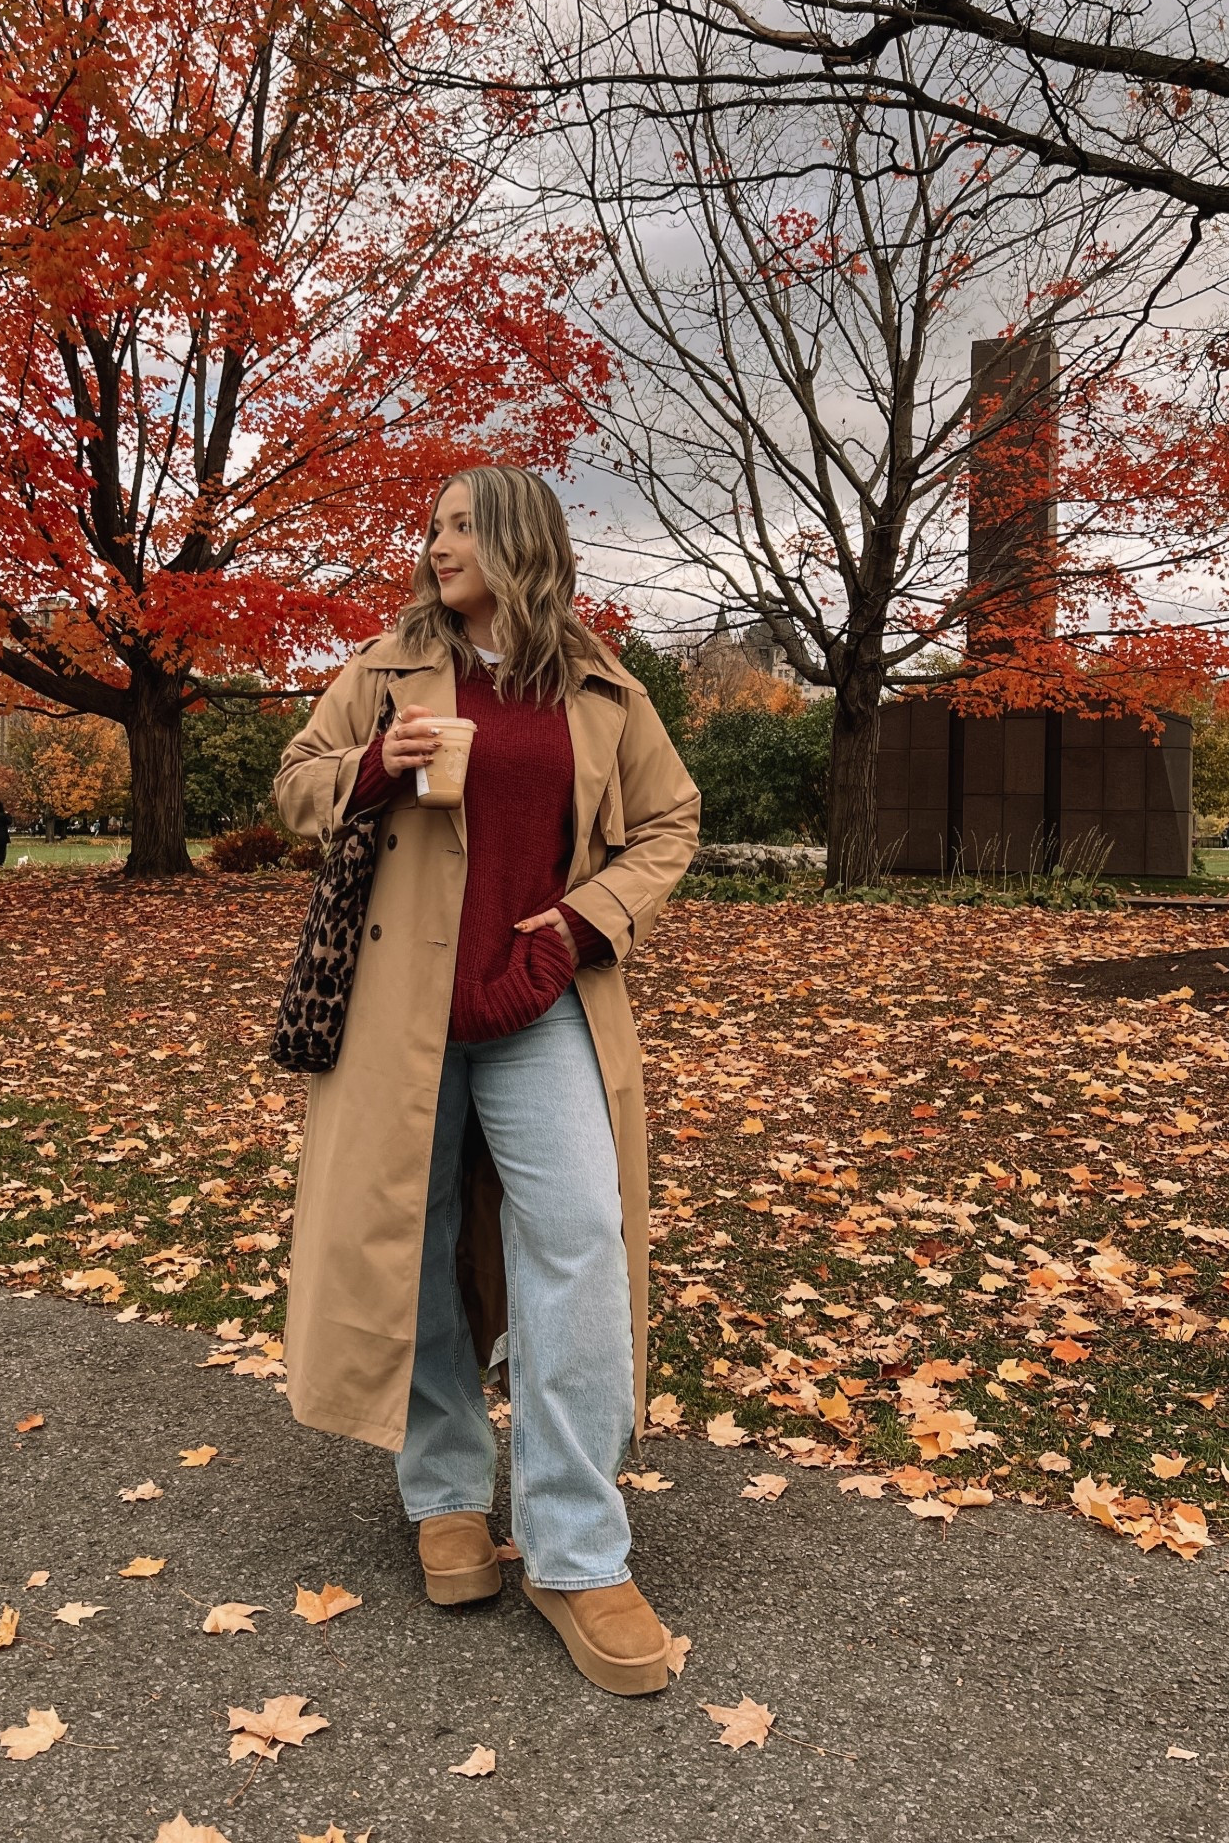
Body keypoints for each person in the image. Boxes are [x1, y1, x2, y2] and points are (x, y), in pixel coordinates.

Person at [274, 464, 700, 1697]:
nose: (436, 541)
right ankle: (448, 1495)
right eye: (432, 526)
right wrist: (371, 762)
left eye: (461, 524)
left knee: (578, 1232)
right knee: (415, 1246)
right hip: (397, 1011)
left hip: (538, 1001)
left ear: (519, 537)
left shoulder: (606, 683)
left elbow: (668, 824)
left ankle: (577, 1547)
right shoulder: (388, 664)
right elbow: (295, 782)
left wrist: (574, 927)